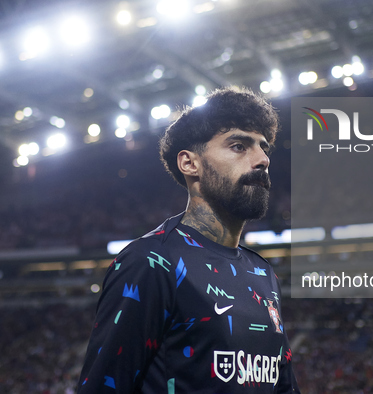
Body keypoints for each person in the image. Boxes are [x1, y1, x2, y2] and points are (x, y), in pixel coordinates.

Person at [77, 87, 299, 393]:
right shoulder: (151, 262)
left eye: (264, 148)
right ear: (189, 163)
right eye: (238, 146)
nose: (262, 160)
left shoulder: (263, 274)